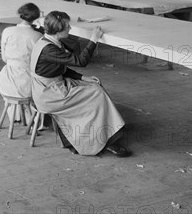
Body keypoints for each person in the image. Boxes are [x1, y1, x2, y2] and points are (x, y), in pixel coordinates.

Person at [30, 11, 130, 157]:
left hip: (50, 86)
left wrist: (83, 77)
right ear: (58, 31)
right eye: (67, 27)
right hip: (50, 94)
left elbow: (58, 68)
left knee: (94, 86)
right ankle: (105, 140)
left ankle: (94, 134)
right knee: (97, 94)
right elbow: (81, 61)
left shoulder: (46, 42)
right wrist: (94, 39)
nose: (70, 29)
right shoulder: (50, 49)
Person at [0, 3, 43, 123]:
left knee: (15, 87)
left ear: (20, 14)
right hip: (26, 81)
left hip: (6, 80)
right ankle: (30, 117)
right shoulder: (37, 35)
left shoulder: (7, 31)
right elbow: (38, 62)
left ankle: (16, 115)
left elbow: (4, 58)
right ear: (36, 18)